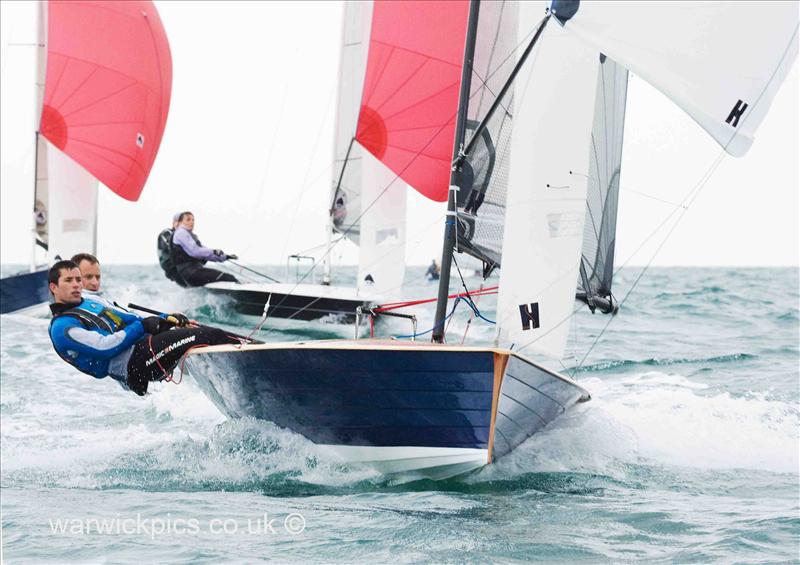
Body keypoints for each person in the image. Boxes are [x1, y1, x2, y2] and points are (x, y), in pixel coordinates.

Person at [47, 260, 243, 396]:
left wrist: (164, 319)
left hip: (144, 346)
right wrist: (143, 326)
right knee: (207, 335)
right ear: (54, 287)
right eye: (68, 281)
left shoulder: (91, 300)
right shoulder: (63, 328)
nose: (76, 285)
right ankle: (246, 367)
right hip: (135, 363)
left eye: (78, 280)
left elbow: (128, 316)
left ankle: (246, 357)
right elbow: (104, 346)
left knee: (206, 333)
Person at [170, 211, 239, 287]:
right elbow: (195, 252)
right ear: (179, 222)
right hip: (191, 273)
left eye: (193, 220)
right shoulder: (181, 233)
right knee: (229, 278)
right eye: (188, 219)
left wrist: (225, 256)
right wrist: (214, 251)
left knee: (227, 277)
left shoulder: (188, 235)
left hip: (193, 272)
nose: (192, 222)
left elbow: (206, 254)